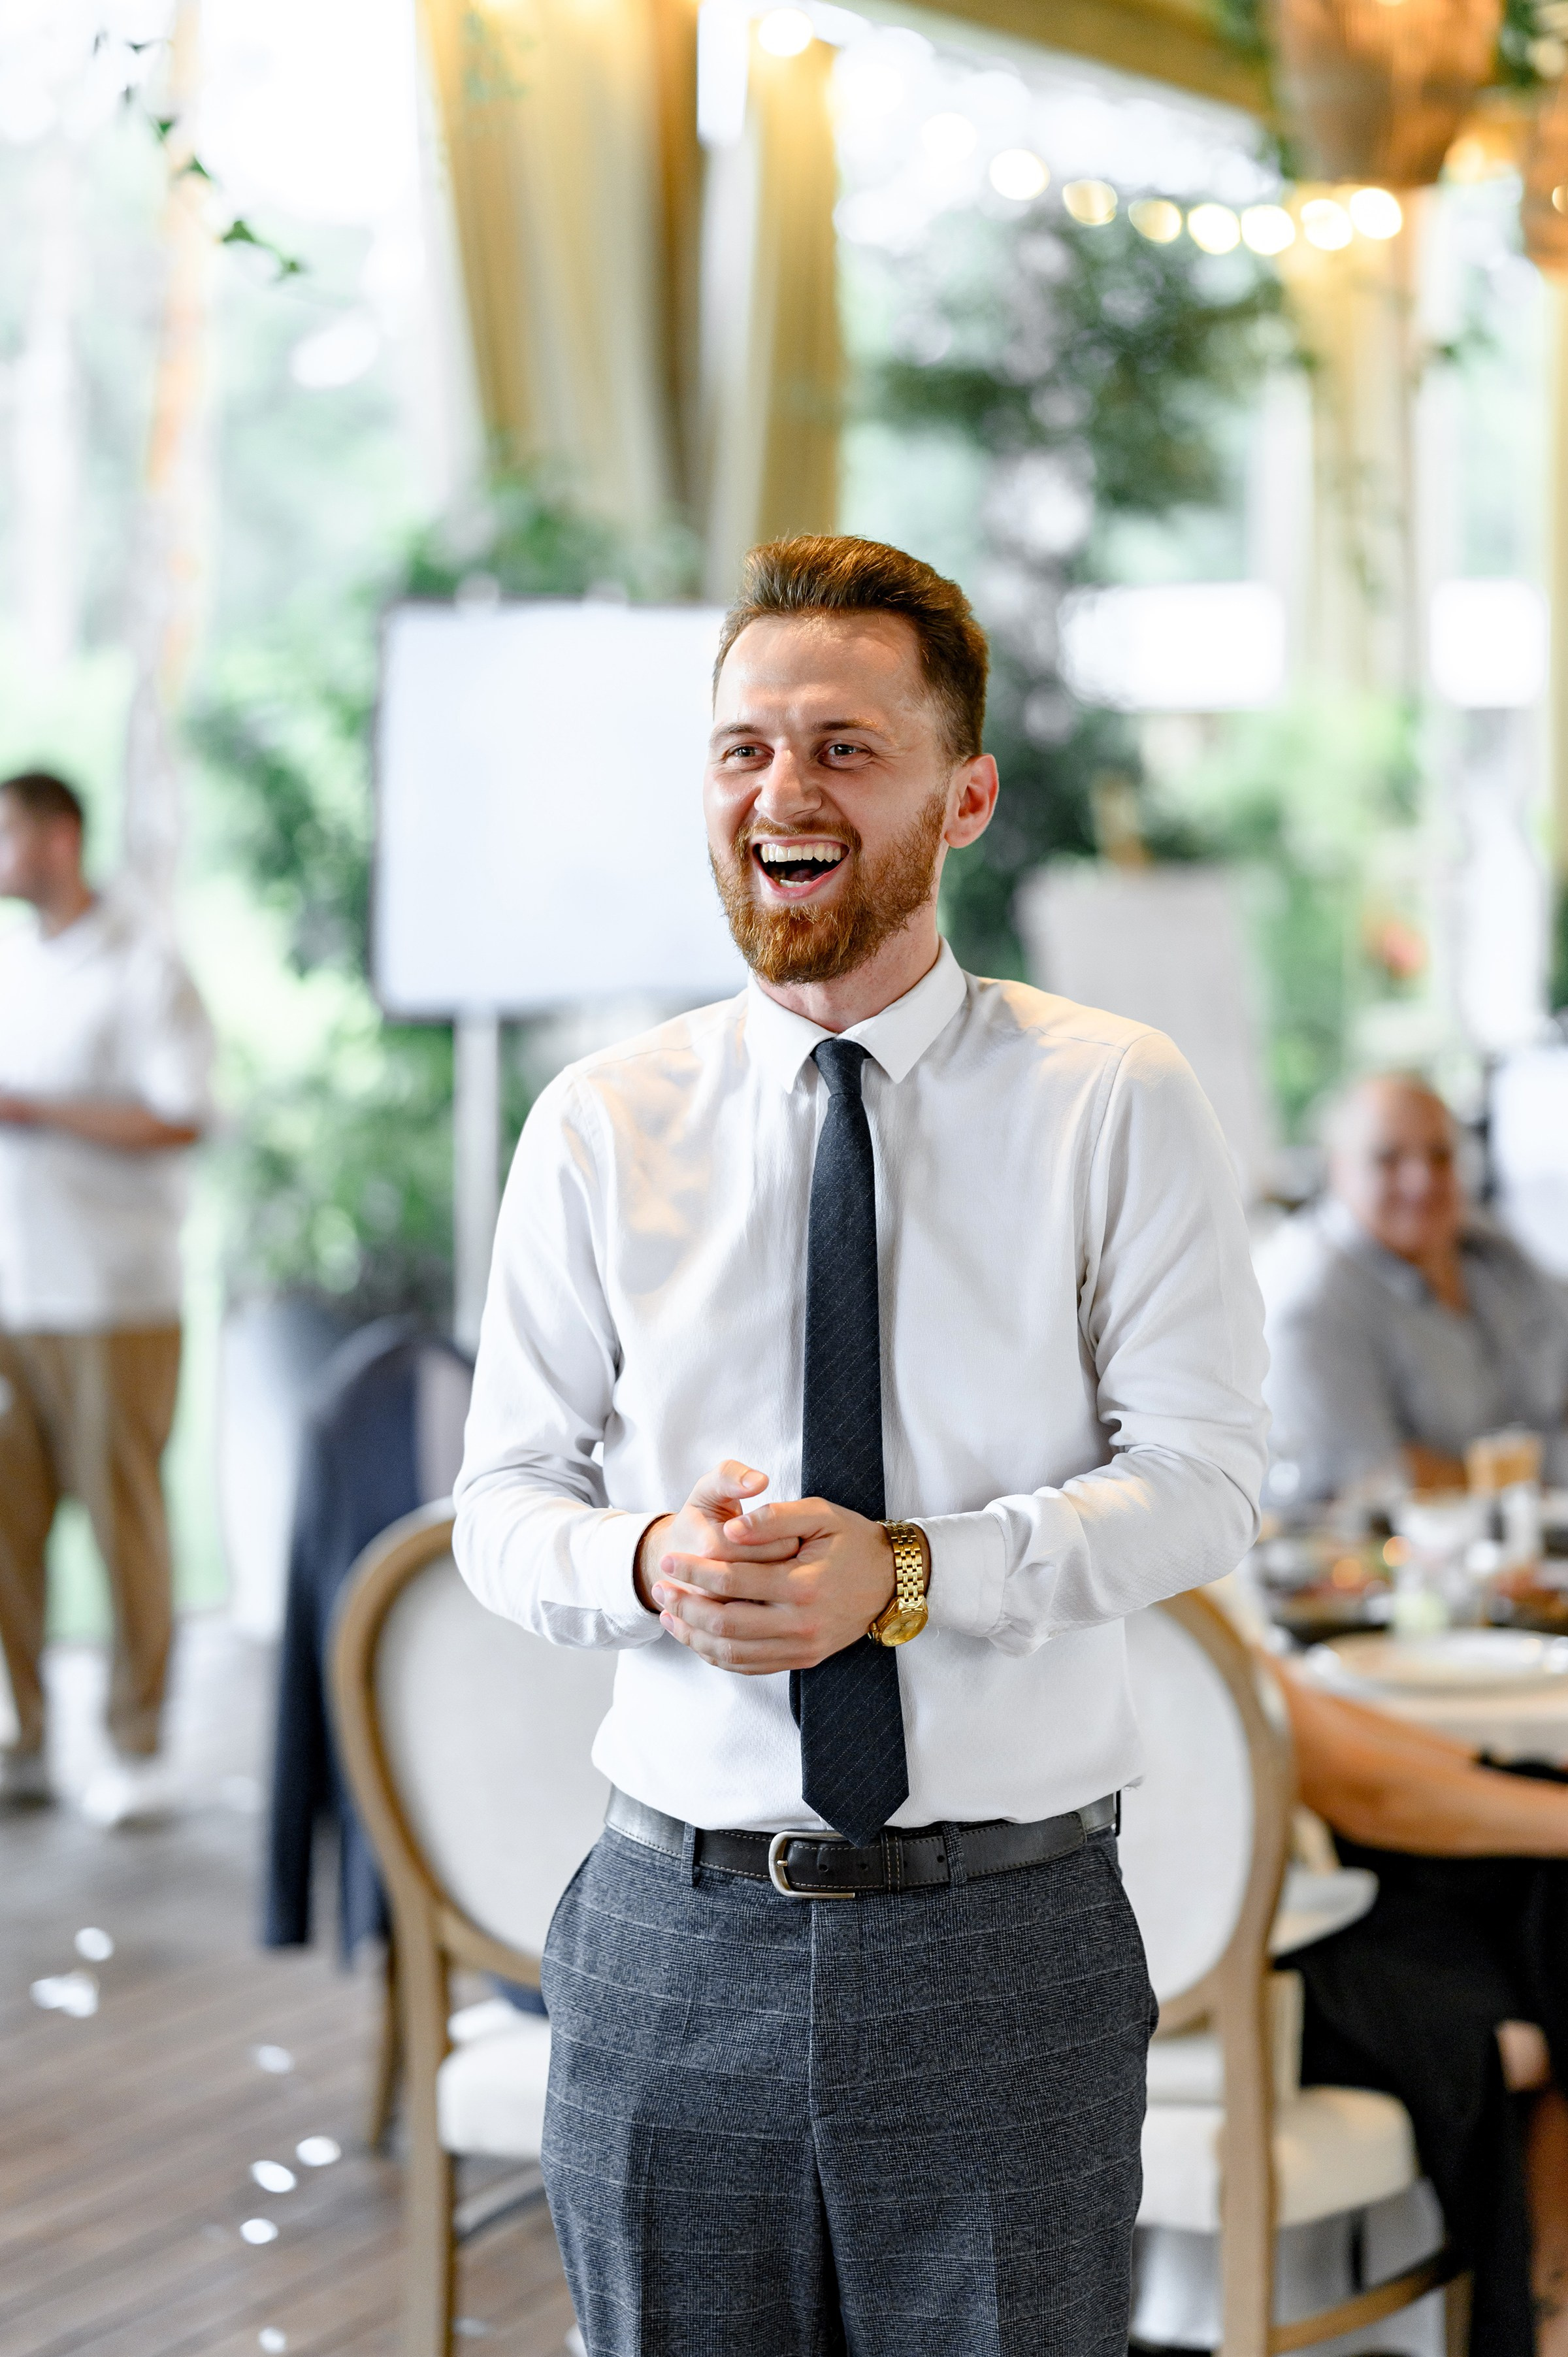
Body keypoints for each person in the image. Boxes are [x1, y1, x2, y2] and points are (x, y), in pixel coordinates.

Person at [455, 535, 1269, 2356]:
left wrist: (910, 1575)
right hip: (671, 1937)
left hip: (1005, 1943)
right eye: (743, 747)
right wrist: (648, 1557)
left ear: (961, 792)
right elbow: (499, 1503)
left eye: (843, 746)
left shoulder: (1113, 1094)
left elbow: (1210, 1469)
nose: (781, 791)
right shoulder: (600, 1120)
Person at [0, 770, 214, 1826]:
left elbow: (183, 1115)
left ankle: (138, 1740)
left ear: (58, 838)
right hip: (14, 1292)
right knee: (10, 1526)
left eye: (7, 833)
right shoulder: (10, 959)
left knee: (120, 1518)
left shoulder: (143, 960)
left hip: (113, 1297)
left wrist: (35, 1110)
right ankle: (28, 1735)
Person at [1272, 1657, 1568, 2357]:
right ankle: (1548, 2317)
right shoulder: (1142, 1577)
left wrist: (1492, 1768)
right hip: (1238, 1944)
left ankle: (1546, 2314)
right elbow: (1360, 1790)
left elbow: (1318, 1719)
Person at [1261, 1072, 1568, 1505]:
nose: (1421, 1179)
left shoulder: (1483, 1242)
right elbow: (1377, 1481)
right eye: (1389, 1158)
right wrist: (1529, 1490)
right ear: (1338, 1168)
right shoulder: (1309, 1303)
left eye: (1440, 1155)